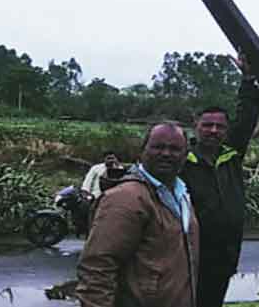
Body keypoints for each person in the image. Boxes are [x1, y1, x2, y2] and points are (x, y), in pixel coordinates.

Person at [76, 123, 199, 307]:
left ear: (185, 155)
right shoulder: (126, 198)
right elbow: (97, 269)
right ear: (142, 151)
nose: (166, 153)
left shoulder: (181, 194)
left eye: (175, 149)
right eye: (158, 147)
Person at [180, 52, 259, 307]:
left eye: (219, 126)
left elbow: (247, 116)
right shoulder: (181, 161)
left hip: (224, 256)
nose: (213, 130)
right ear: (196, 126)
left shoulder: (231, 156)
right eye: (207, 125)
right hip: (188, 257)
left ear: (226, 131)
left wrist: (248, 80)